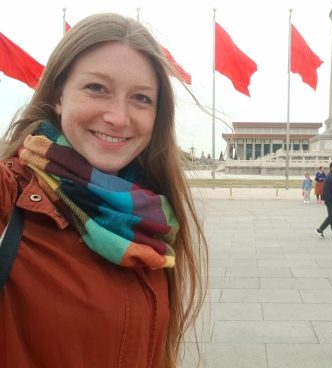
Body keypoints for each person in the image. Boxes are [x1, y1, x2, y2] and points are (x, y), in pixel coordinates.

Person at [0, 14, 207, 368]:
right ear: (59, 96)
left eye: (141, 98)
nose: (118, 117)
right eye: (97, 88)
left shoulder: (150, 216)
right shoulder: (10, 198)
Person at [315, 161, 332, 238]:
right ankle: (320, 229)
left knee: (331, 216)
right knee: (331, 216)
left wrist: (323, 198)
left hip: (327, 199)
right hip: (331, 200)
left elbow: (326, 188)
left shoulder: (329, 175)